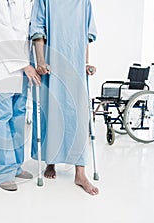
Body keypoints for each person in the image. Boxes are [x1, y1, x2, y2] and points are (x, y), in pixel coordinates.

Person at [30, 0, 99, 195]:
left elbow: (86, 35)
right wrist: (41, 62)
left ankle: (80, 172)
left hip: (75, 66)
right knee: (52, 113)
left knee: (77, 116)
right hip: (52, 65)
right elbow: (38, 31)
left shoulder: (83, 2)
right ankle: (50, 161)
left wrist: (86, 63)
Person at [0, 0, 41, 191]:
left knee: (17, 119)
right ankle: (2, 173)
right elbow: (1, 30)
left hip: (22, 69)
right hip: (1, 67)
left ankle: (15, 166)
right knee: (1, 119)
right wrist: (25, 65)